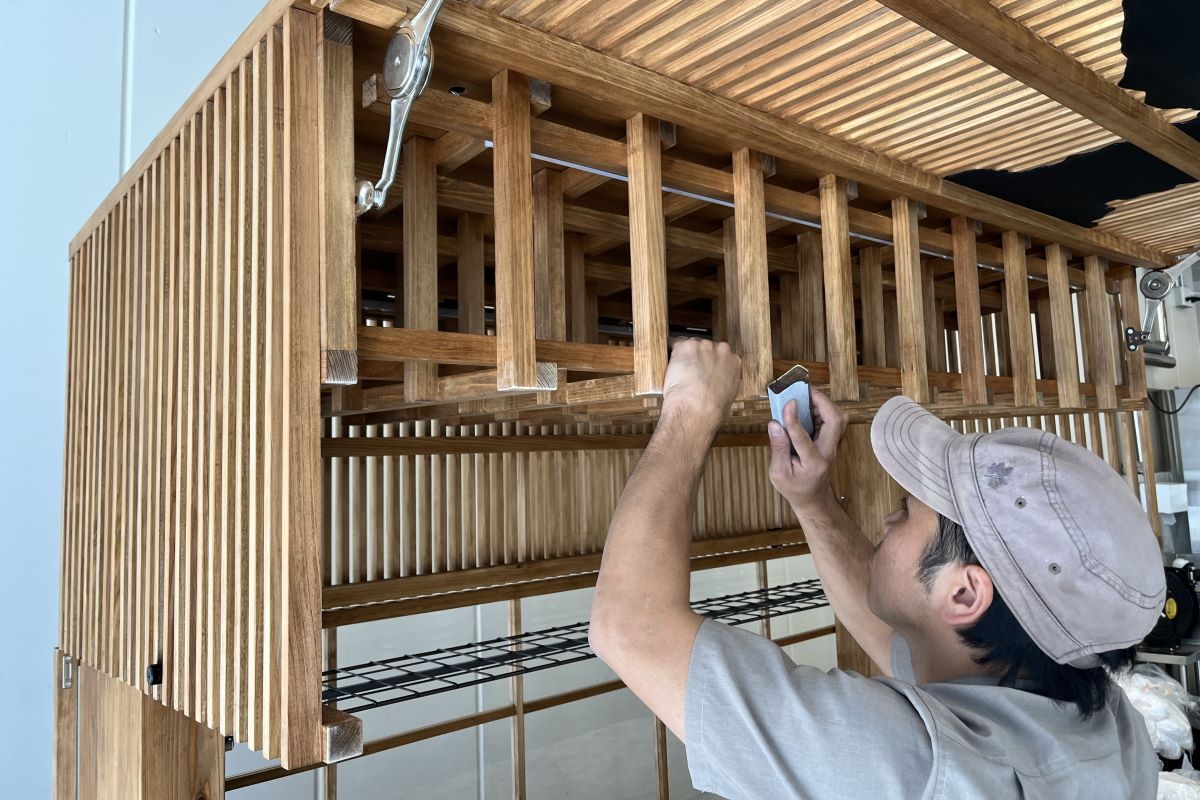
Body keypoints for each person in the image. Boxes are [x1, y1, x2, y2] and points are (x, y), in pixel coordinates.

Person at [588, 338, 1166, 799]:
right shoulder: (1101, 726)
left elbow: (632, 630)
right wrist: (812, 501)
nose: (889, 519)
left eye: (910, 511)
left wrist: (691, 409)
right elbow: (901, 635)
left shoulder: (912, 774)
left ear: (965, 595)